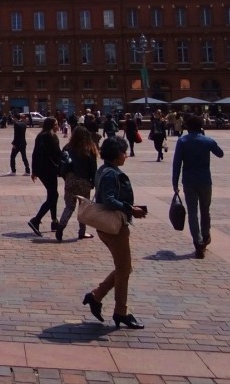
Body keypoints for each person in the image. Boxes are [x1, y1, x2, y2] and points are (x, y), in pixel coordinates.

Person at [82, 137, 148, 329]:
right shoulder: (111, 174)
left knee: (123, 267)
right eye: (123, 152)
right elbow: (109, 200)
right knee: (124, 268)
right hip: (114, 227)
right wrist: (130, 209)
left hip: (106, 226)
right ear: (116, 154)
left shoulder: (103, 169)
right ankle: (120, 311)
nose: (126, 156)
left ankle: (97, 297)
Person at [171, 114, 224, 258]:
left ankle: (198, 241)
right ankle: (206, 235)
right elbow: (220, 154)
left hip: (189, 181)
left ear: (188, 127)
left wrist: (175, 182)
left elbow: (177, 163)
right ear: (201, 127)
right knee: (205, 210)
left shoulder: (182, 141)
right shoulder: (207, 140)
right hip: (205, 180)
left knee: (192, 212)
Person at [56, 125, 98, 241]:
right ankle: (82, 232)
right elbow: (93, 168)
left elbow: (62, 164)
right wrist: (94, 182)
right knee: (83, 208)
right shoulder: (89, 148)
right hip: (84, 181)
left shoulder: (67, 147)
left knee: (69, 206)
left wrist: (66, 176)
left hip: (70, 179)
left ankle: (61, 226)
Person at [28, 117, 62, 236]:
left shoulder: (40, 136)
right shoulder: (52, 136)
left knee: (52, 194)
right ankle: (36, 220)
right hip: (50, 170)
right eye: (56, 124)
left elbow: (34, 154)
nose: (57, 126)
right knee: (53, 196)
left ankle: (54, 221)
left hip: (41, 170)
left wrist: (34, 171)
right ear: (51, 126)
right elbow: (58, 154)